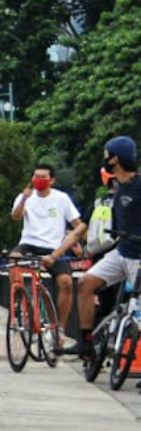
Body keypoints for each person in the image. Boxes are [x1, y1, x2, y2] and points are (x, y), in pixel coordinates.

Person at [76, 137, 141, 359]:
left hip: (139, 258)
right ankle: (85, 341)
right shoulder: (118, 187)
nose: (104, 160)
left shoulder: (138, 186)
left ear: (116, 159)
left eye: (106, 155)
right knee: (86, 283)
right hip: (121, 253)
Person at [11, 163, 86, 348]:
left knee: (66, 282)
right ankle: (18, 303)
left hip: (54, 247)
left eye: (43, 177)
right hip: (29, 242)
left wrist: (80, 241)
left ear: (52, 180)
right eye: (36, 176)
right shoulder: (25, 197)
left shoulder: (61, 198)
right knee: (13, 258)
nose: (39, 180)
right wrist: (23, 200)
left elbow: (77, 223)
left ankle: (59, 329)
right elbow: (16, 216)